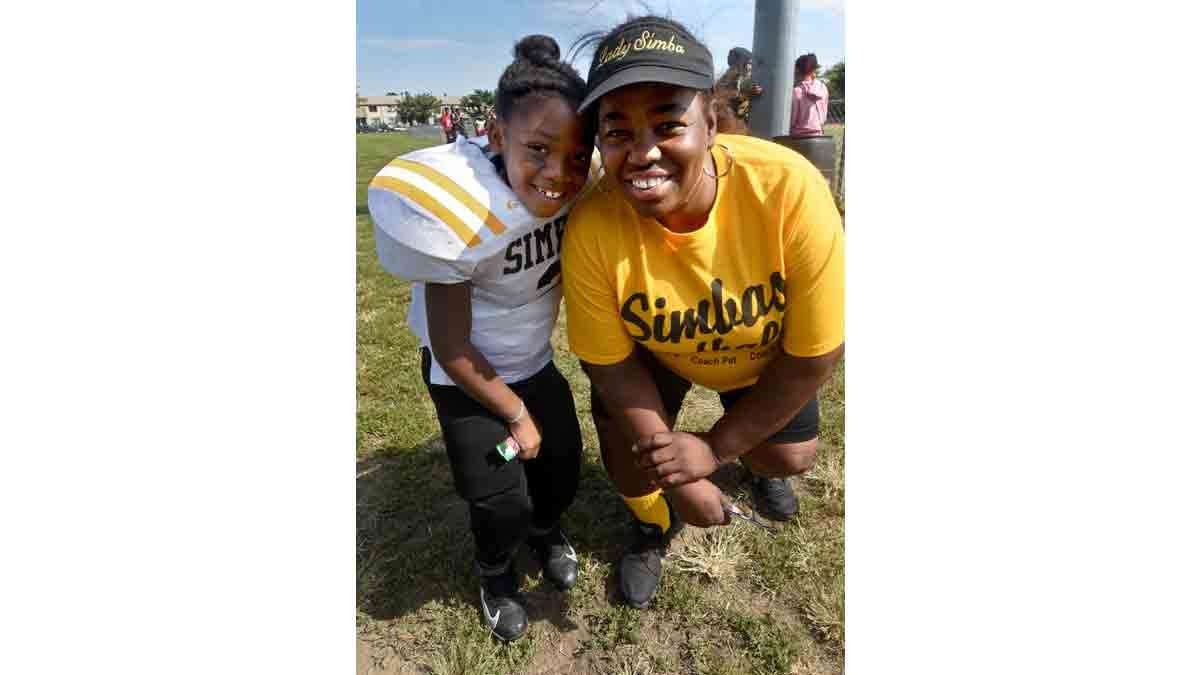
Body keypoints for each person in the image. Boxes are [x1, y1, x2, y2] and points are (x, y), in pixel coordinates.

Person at [563, 16, 844, 609]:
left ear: (711, 124)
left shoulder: (788, 187)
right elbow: (609, 364)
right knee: (628, 450)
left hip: (758, 353)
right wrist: (676, 471)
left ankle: (755, 462)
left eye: (669, 125)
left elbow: (816, 352)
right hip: (654, 353)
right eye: (617, 133)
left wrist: (716, 450)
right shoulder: (593, 224)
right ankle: (648, 525)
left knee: (788, 455)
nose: (642, 154)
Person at [367, 35, 595, 642]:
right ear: (495, 136)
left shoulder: (576, 187)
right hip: (468, 376)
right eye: (539, 150)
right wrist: (515, 414)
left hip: (534, 361)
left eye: (577, 157)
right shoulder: (461, 214)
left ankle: (546, 529)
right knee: (499, 496)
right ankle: (495, 570)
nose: (558, 173)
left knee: (564, 462)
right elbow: (451, 345)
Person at [714, 47, 762, 135]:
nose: (751, 68)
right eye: (749, 63)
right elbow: (726, 103)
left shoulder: (739, 79)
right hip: (729, 131)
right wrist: (747, 95)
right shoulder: (728, 79)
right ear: (740, 63)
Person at [790, 53, 829, 137]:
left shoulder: (796, 91)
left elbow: (792, 121)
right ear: (813, 70)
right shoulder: (823, 88)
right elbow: (824, 116)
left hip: (798, 138)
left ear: (796, 70)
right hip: (819, 136)